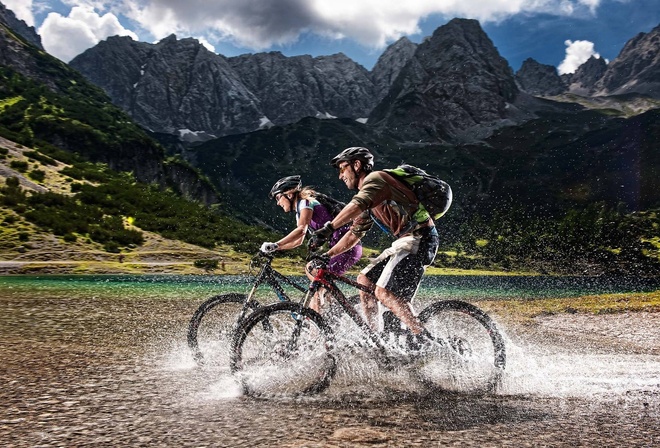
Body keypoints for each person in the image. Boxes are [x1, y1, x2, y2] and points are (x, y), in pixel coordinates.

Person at [308, 147, 446, 343]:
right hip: (405, 241)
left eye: (342, 169)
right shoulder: (371, 199)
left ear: (356, 165)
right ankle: (377, 339)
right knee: (365, 281)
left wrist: (328, 228)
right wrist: (327, 255)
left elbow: (357, 204)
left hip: (419, 238)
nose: (340, 176)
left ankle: (425, 339)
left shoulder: (376, 179)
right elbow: (353, 235)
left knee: (384, 292)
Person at [260, 175, 363, 312]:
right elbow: (298, 241)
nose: (278, 203)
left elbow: (301, 230)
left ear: (289, 194)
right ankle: (330, 310)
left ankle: (318, 326)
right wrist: (276, 248)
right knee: (318, 280)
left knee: (313, 275)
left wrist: (276, 244)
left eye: (278, 198)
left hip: (347, 247)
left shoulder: (305, 202)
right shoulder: (300, 210)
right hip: (342, 248)